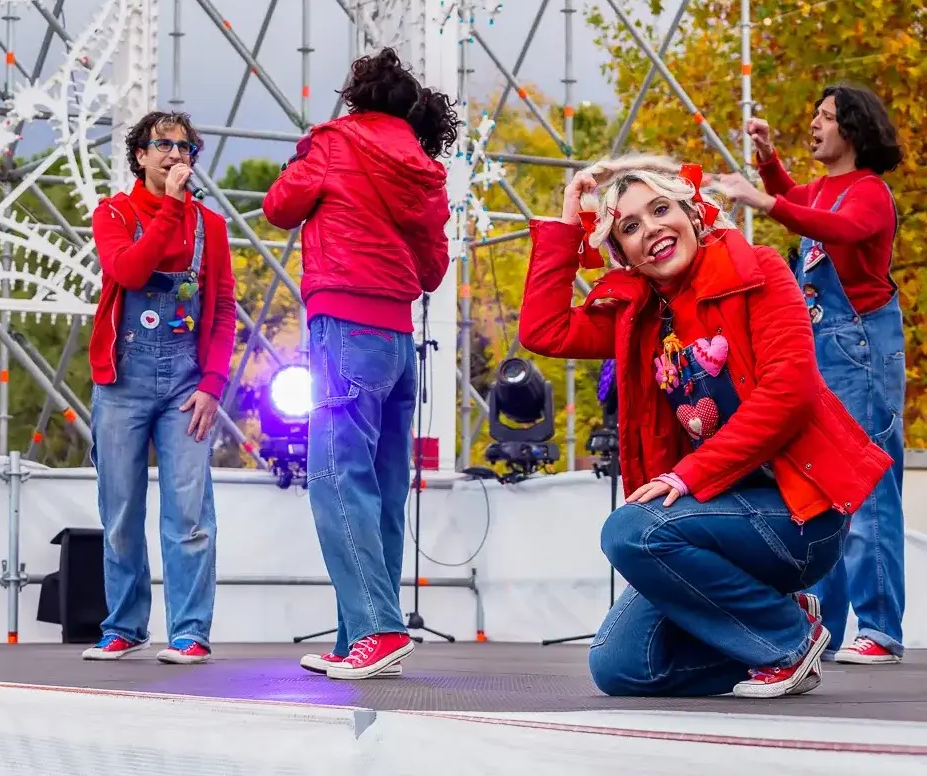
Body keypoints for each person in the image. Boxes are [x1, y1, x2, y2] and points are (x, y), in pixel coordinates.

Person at [518, 155, 893, 698]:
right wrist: (564, 222)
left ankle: (786, 639)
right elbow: (544, 330)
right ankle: (775, 618)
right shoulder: (639, 318)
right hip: (716, 524)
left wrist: (686, 476)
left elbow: (789, 393)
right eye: (629, 227)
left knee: (630, 530)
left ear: (693, 214)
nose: (652, 230)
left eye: (660, 209)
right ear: (622, 255)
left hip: (798, 516)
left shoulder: (758, 270)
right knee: (622, 668)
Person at [262, 47, 456, 680]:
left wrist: (304, 160)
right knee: (383, 487)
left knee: (339, 478)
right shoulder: (425, 169)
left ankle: (376, 629)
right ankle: (361, 638)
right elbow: (432, 269)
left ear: (356, 96)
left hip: (344, 323)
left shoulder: (333, 142)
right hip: (399, 338)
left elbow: (280, 207)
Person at [715, 84, 906, 665]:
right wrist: (770, 162)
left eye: (826, 116)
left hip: (860, 346)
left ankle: (880, 628)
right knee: (823, 483)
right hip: (821, 344)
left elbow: (837, 229)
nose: (816, 125)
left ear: (853, 128)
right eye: (815, 115)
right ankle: (826, 624)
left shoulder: (869, 193)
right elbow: (804, 201)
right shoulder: (825, 189)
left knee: (868, 486)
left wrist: (761, 200)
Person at [84, 110, 236, 664]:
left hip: (185, 386)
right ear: (140, 155)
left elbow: (222, 311)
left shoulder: (211, 228)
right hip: (122, 382)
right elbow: (127, 271)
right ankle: (125, 625)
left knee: (189, 513)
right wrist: (171, 207)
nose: (176, 154)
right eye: (163, 145)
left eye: (186, 147)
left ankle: (190, 631)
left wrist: (213, 385)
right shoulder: (113, 214)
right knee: (121, 510)